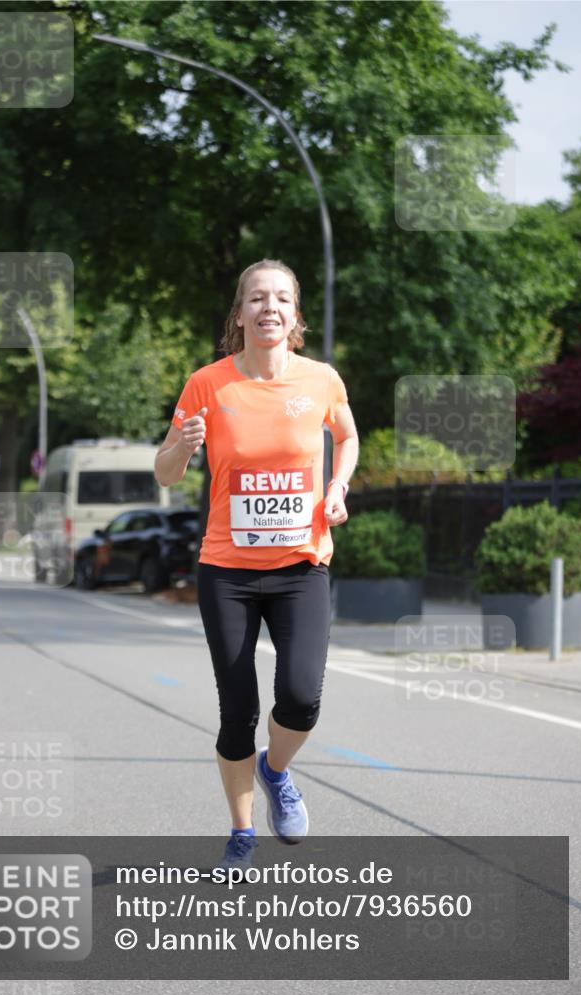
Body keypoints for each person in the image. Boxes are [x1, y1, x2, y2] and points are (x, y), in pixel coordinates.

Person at [154, 259, 359, 872]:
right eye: (257, 298)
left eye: (282, 299)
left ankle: (276, 770)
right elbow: (165, 473)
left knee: (300, 698)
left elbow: (347, 437)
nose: (270, 307)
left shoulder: (321, 379)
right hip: (228, 572)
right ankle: (242, 833)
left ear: (295, 315)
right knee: (238, 710)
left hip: (301, 565)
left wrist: (338, 486)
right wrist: (182, 445)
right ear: (239, 314)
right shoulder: (207, 384)